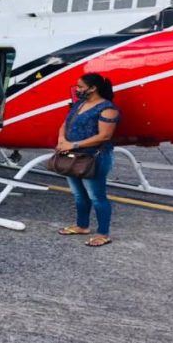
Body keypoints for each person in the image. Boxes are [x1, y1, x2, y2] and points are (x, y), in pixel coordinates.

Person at [55, 72, 120, 247]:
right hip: (73, 156)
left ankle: (103, 233)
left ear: (93, 88)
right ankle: (82, 225)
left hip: (93, 158)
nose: (78, 90)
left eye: (81, 87)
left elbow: (105, 136)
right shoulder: (79, 104)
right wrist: (62, 140)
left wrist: (73, 145)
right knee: (78, 195)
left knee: (97, 196)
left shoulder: (107, 108)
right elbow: (65, 123)